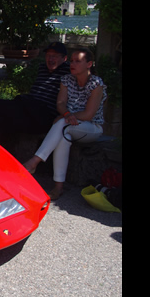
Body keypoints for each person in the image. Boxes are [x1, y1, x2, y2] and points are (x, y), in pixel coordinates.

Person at [23, 48, 107, 200]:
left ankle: (34, 162)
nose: (72, 64)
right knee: (64, 136)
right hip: (69, 125)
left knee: (62, 124)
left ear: (89, 64)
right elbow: (60, 103)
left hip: (92, 128)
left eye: (77, 61)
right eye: (72, 60)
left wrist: (65, 117)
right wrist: (67, 115)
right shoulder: (67, 80)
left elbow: (89, 115)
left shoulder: (96, 84)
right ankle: (58, 187)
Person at [0, 42, 71, 146]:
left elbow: (83, 70)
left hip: (43, 115)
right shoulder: (43, 68)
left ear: (64, 58)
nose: (50, 59)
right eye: (48, 55)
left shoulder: (68, 72)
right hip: (29, 108)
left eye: (55, 56)